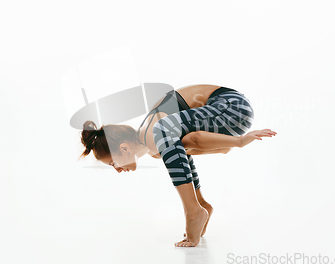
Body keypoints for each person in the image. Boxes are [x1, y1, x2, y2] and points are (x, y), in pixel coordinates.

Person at [78, 84, 277, 247]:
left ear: (124, 148)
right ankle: (200, 205)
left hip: (232, 106)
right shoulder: (156, 147)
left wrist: (239, 142)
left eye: (113, 163)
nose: (117, 170)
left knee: (162, 131)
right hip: (232, 116)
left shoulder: (152, 132)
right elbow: (197, 141)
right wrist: (232, 143)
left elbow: (199, 139)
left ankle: (193, 210)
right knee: (171, 140)